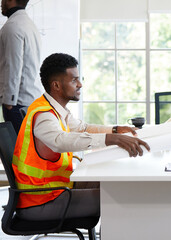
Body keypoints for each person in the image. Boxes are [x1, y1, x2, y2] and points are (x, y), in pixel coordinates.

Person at [12, 53, 150, 221]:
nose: (80, 84)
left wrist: (115, 130)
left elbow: (82, 128)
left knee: (109, 184)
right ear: (56, 85)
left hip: (57, 190)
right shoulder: (44, 115)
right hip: (41, 201)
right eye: (74, 80)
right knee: (116, 195)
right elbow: (59, 141)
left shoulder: (54, 109)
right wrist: (111, 139)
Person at [0, 0, 43, 133]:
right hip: (29, 99)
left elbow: (12, 65)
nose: (1, 3)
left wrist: (8, 101)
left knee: (17, 150)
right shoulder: (29, 24)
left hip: (16, 102)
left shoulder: (12, 26)